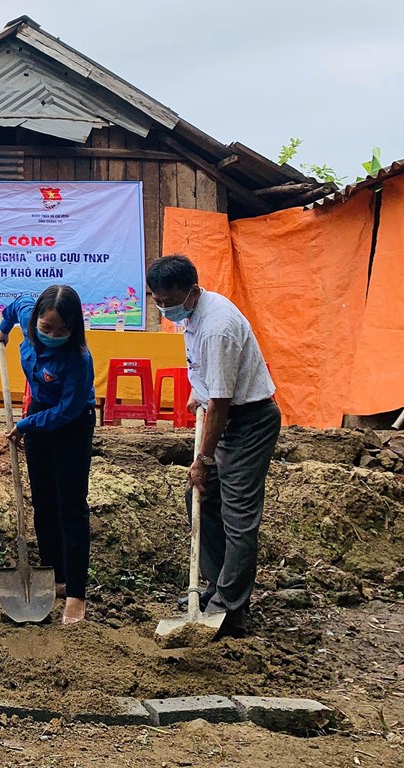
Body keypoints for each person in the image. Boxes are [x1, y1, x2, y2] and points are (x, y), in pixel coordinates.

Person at [146, 254, 279, 639]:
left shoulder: (217, 327)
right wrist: (198, 390)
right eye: (157, 299)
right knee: (200, 498)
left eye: (168, 300)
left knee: (237, 516)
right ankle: (219, 587)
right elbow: (210, 379)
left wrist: (203, 459)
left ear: (192, 290)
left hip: (248, 422)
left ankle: (230, 609)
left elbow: (221, 403)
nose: (163, 307)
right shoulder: (194, 313)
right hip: (227, 415)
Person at [0, 286, 96, 624]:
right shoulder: (29, 315)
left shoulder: (78, 360)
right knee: (43, 501)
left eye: (62, 330)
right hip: (39, 413)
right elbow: (14, 305)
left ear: (74, 328)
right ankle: (56, 576)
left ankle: (76, 593)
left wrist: (26, 425)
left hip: (72, 423)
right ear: (36, 319)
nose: (52, 335)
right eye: (46, 328)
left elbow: (68, 410)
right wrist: (2, 329)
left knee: (70, 505)